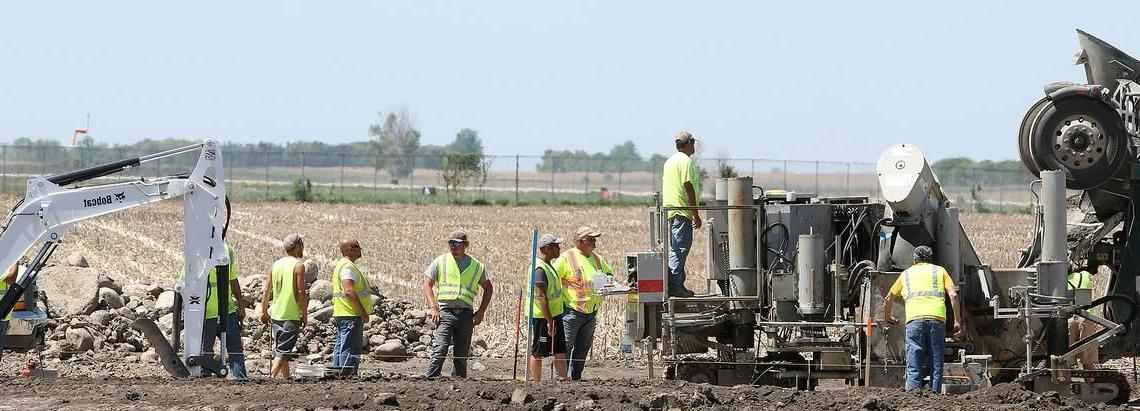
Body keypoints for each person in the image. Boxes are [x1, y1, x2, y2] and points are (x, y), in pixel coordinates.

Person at [883, 245, 963, 393]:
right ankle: (935, 395)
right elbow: (953, 295)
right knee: (936, 360)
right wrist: (957, 321)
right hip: (937, 320)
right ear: (930, 259)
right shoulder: (940, 271)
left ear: (914, 260)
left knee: (914, 359)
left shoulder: (906, 274)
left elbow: (888, 298)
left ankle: (913, 396)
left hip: (914, 321)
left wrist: (888, 317)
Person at [422, 229, 493, 378]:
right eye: (450, 243)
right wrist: (433, 307)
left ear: (466, 245)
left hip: (466, 315)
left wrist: (481, 312)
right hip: (445, 313)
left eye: (456, 244)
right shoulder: (441, 261)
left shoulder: (476, 266)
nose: (453, 247)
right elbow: (427, 284)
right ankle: (430, 381)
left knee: (461, 356)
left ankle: (459, 386)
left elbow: (488, 288)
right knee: (439, 350)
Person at [180, 240, 246, 379]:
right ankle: (240, 379)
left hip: (206, 311)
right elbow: (233, 280)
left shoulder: (196, 249)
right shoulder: (226, 249)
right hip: (223, 310)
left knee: (205, 352)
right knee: (234, 350)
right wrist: (240, 303)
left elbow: (184, 281)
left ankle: (205, 380)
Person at [556, 226, 614, 381]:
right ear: (580, 241)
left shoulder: (598, 259)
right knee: (565, 347)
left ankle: (575, 378)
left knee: (582, 349)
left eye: (595, 239)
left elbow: (609, 275)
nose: (595, 242)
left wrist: (609, 282)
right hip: (571, 312)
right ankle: (560, 380)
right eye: (591, 239)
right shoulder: (567, 258)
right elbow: (553, 280)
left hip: (591, 312)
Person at [259, 234, 308, 379]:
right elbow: (300, 291)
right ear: (298, 245)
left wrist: (263, 311)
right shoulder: (298, 266)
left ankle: (287, 378)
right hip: (290, 314)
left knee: (281, 348)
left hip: (276, 314)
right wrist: (304, 313)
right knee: (283, 351)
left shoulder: (276, 265)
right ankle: (271, 377)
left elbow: (267, 290)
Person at [661, 131, 701, 297]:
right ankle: (674, 285)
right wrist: (695, 214)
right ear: (690, 143)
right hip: (682, 211)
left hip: (671, 211)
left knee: (676, 248)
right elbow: (688, 187)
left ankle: (678, 283)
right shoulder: (686, 162)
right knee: (680, 249)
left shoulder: (670, 161)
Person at [527, 233, 568, 381]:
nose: (559, 248)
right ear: (547, 248)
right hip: (542, 317)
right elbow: (541, 296)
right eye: (556, 246)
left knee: (559, 351)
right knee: (539, 352)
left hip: (555, 315)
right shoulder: (539, 269)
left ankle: (564, 381)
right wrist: (549, 321)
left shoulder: (548, 266)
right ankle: (536, 384)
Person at [331, 236, 373, 374]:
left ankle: (338, 376)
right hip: (351, 314)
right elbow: (348, 290)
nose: (360, 249)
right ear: (349, 250)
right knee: (350, 348)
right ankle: (347, 378)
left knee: (341, 346)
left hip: (343, 313)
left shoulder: (342, 265)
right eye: (357, 246)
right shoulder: (347, 267)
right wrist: (363, 312)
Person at [1067, 264, 1098, 369]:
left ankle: (1070, 384)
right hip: (1087, 318)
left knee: (1067, 362)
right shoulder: (1084, 275)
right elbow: (1084, 298)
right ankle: (1090, 383)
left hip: (1069, 320)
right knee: (1088, 362)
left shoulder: (1060, 282)